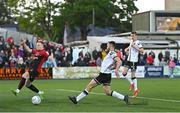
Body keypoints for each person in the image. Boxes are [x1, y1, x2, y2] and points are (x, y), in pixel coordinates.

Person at [122, 31, 144, 98]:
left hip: (134, 61)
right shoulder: (131, 41)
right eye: (131, 36)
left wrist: (135, 47)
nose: (132, 37)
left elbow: (142, 51)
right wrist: (126, 49)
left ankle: (136, 90)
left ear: (136, 36)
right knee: (123, 73)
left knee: (133, 75)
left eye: (133, 36)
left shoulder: (138, 42)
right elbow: (130, 47)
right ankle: (131, 83)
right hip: (128, 59)